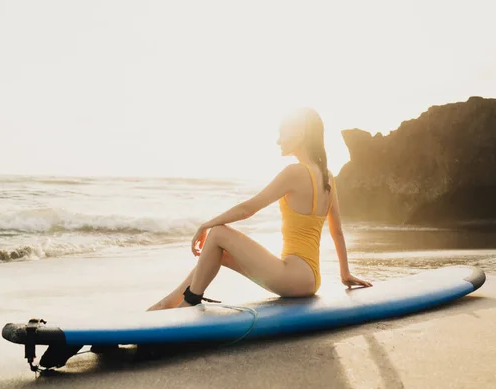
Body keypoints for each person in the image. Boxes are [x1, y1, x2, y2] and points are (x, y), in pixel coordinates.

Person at [147, 107, 372, 311]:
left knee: (218, 232)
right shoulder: (328, 177)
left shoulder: (294, 172)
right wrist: (345, 274)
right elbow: (337, 231)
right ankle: (170, 303)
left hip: (292, 276)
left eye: (283, 132)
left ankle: (190, 302)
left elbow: (248, 208)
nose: (278, 140)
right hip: (310, 279)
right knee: (217, 253)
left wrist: (207, 224)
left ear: (301, 134)